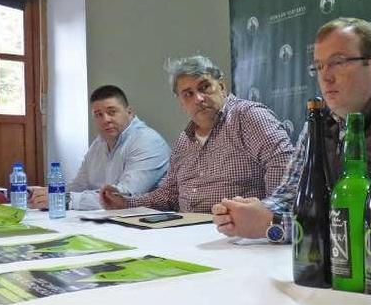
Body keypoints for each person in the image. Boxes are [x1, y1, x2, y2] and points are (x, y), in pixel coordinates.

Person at [211, 18, 371, 241]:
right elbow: (291, 194)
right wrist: (250, 212)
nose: (326, 76)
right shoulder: (318, 122)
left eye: (338, 62)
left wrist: (274, 224)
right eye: (319, 66)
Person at [100, 55, 293, 213]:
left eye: (204, 87)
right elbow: (169, 194)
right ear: (181, 103)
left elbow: (284, 166)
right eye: (188, 94)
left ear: (222, 87)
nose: (199, 98)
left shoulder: (247, 116)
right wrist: (126, 203)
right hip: (189, 234)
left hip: (238, 235)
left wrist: (268, 216)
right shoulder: (185, 140)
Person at [29, 85, 170, 210]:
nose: (105, 119)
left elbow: (121, 197)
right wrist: (50, 192)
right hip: (115, 220)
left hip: (150, 224)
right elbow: (79, 185)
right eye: (98, 115)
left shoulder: (148, 142)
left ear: (129, 113)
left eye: (112, 112)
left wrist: (63, 199)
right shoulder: (100, 142)